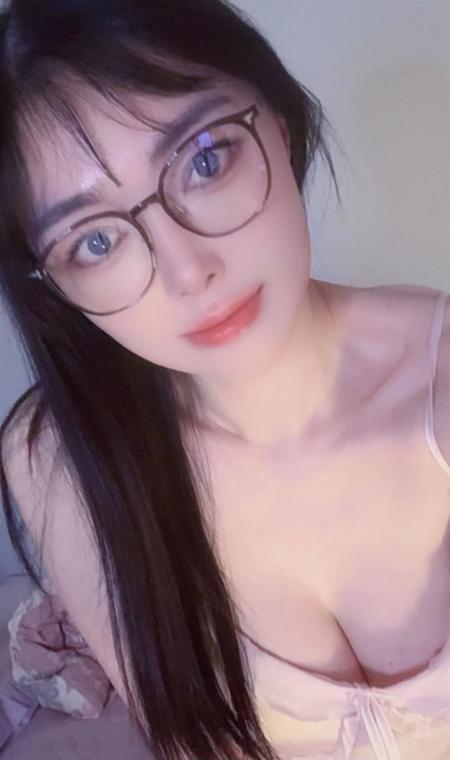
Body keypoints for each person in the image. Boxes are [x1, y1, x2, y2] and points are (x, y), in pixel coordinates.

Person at [0, 1, 449, 758]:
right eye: (96, 241)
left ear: (280, 121)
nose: (188, 272)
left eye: (205, 160)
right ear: (56, 289)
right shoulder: (60, 460)